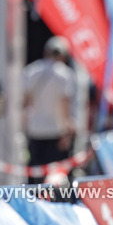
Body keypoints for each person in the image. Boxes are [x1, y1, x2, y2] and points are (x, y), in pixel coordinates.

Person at [22, 36, 77, 185]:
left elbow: (26, 102)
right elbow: (65, 103)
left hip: (36, 130)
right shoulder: (65, 74)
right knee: (56, 177)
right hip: (56, 132)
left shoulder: (31, 71)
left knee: (35, 176)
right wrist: (68, 132)